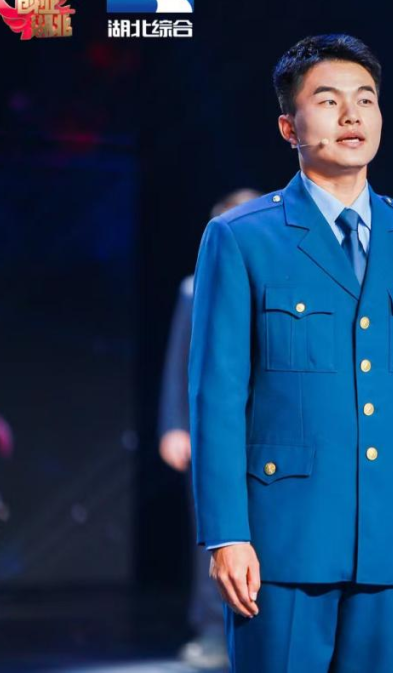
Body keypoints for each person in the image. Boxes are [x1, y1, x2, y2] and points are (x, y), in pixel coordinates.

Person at [188, 34, 393, 672]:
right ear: (289, 126)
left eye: (365, 100)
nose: (351, 115)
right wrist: (227, 533)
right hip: (283, 539)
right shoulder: (243, 238)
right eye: (329, 100)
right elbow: (217, 397)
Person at [158, 187, 260, 669]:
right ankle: (211, 628)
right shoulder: (197, 285)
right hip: (211, 432)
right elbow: (181, 360)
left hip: (264, 435)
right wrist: (173, 426)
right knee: (213, 533)